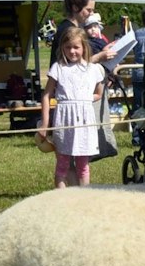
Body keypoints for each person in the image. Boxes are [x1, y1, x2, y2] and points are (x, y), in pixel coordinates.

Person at [43, 26, 104, 188]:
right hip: (65, 120)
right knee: (62, 164)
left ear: (84, 47)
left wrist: (84, 99)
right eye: (68, 47)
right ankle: (62, 198)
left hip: (84, 122)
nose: (72, 51)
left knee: (83, 165)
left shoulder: (93, 69)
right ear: (62, 48)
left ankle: (83, 197)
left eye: (76, 47)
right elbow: (46, 95)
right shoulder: (58, 68)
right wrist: (45, 124)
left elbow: (99, 93)